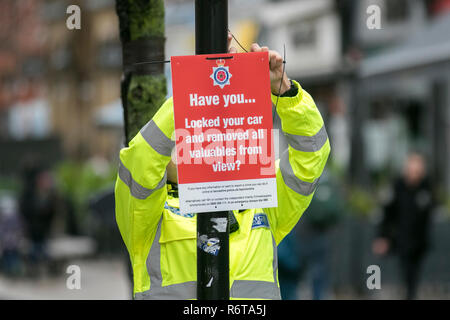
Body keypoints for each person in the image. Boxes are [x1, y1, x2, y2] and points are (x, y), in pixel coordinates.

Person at [115, 33, 331, 299]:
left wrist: (285, 92)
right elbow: (141, 161)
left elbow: (312, 154)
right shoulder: (148, 212)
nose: (200, 141)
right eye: (186, 132)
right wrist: (194, 86)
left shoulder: (259, 198)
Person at [373, 152, 434, 300]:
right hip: (399, 241)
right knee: (401, 276)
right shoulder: (397, 187)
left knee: (413, 277)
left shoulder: (425, 188)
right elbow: (387, 214)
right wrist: (382, 236)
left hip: (419, 242)